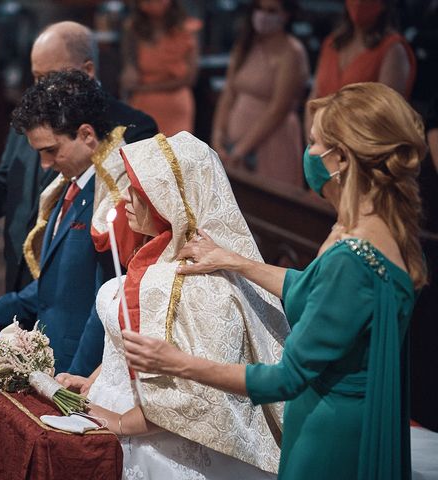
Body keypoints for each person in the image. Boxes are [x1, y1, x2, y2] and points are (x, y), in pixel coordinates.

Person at [123, 82, 427, 479]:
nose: (309, 153)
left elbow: (284, 378)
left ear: (343, 159)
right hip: (354, 413)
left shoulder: (352, 258)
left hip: (330, 433)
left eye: (316, 143)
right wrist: (233, 261)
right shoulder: (383, 229)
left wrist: (177, 363)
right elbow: (312, 291)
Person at [59, 132, 289, 478]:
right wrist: (96, 381)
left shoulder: (204, 288)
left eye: (138, 189)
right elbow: (130, 345)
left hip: (166, 450)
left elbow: (197, 394)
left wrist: (120, 420)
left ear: (173, 199)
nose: (124, 198)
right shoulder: (153, 257)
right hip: (116, 412)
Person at [0, 21, 157, 295]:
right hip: (19, 280)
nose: (40, 89)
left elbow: (135, 225)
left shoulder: (132, 128)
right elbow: (6, 188)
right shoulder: (31, 118)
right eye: (36, 77)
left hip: (80, 292)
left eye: (50, 78)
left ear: (87, 71)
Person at [0, 70, 126, 376]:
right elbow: (50, 289)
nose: (45, 164)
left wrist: (79, 376)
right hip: (50, 361)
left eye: (51, 151)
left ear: (87, 135)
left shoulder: (111, 197)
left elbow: (108, 303)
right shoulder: (67, 187)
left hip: (77, 371)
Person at [210, 0, 308, 187]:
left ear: (286, 15)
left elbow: (279, 108)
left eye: (271, 11)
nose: (263, 16)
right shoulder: (245, 45)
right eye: (259, 9)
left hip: (272, 143)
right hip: (233, 146)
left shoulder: (292, 52)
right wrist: (218, 136)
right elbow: (229, 94)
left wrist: (241, 149)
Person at [304, 0, 416, 133]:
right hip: (321, 141)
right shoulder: (332, 43)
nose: (358, 3)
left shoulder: (393, 49)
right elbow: (314, 96)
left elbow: (386, 113)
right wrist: (313, 140)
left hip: (363, 144)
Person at [120, 0, 201, 136]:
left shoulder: (187, 28)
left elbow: (190, 78)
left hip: (175, 105)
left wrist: (145, 88)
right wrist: (129, 76)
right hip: (143, 105)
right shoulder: (134, 29)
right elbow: (128, 69)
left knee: (176, 152)